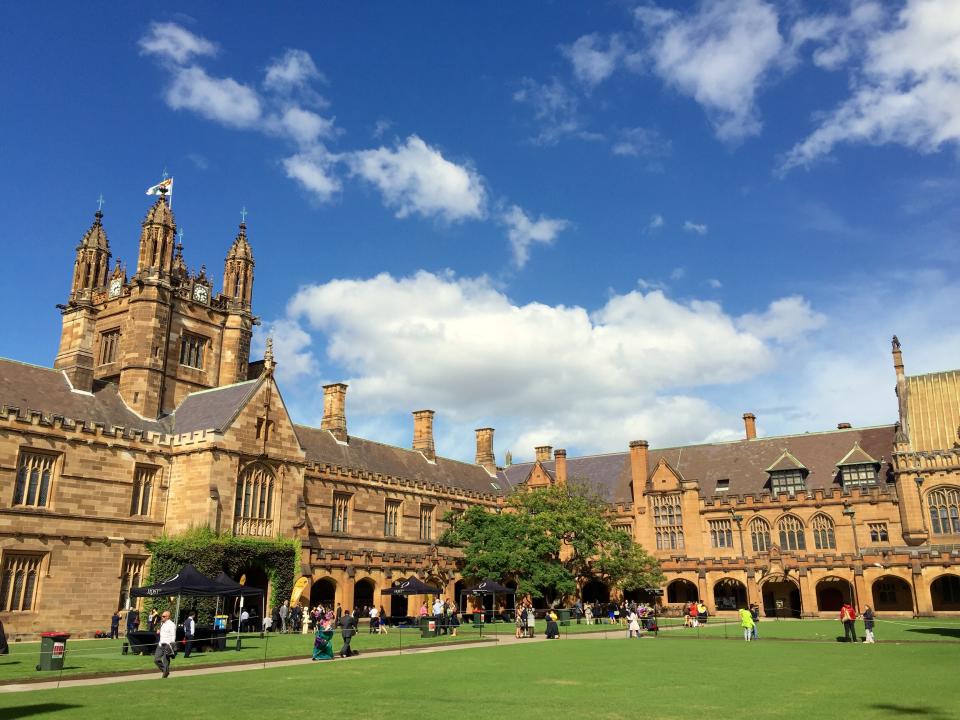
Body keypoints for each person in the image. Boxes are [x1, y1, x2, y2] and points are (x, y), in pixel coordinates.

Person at [154, 610, 177, 678]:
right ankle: (165, 671)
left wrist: (172, 646)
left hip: (167, 645)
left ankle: (165, 674)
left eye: (164, 616)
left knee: (165, 661)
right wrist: (159, 631)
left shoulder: (172, 624)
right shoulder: (162, 623)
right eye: (162, 616)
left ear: (168, 617)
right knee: (156, 659)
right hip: (160, 644)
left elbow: (173, 635)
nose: (162, 617)